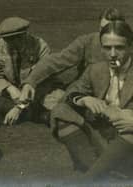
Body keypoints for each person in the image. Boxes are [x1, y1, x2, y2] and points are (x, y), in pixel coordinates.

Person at [50, 20, 133, 181]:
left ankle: (89, 179)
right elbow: (70, 93)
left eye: (119, 47)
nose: (113, 54)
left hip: (128, 141)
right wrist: (85, 99)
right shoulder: (96, 69)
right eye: (107, 48)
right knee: (60, 111)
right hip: (105, 139)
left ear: (130, 46)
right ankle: (107, 171)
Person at [19, 8, 125, 106]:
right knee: (52, 100)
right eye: (102, 28)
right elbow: (55, 61)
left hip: (119, 93)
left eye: (109, 29)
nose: (104, 34)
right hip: (85, 93)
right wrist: (30, 82)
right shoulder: (87, 41)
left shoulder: (128, 46)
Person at [0, 17, 51, 126]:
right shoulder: (0, 45)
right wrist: (9, 88)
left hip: (36, 90)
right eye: (6, 39)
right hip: (12, 94)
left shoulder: (40, 46)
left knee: (56, 100)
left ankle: (16, 112)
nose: (9, 43)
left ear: (24, 35)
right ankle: (30, 114)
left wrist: (19, 107)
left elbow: (41, 76)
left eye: (14, 38)